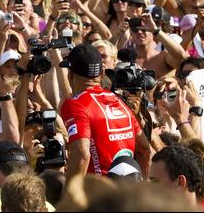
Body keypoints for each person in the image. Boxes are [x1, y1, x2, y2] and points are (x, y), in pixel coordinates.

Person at [59, 43, 151, 180]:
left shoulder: (74, 104)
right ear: (101, 74)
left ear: (70, 75)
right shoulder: (118, 101)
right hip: (129, 194)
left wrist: (69, 198)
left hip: (99, 195)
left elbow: (82, 154)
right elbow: (145, 149)